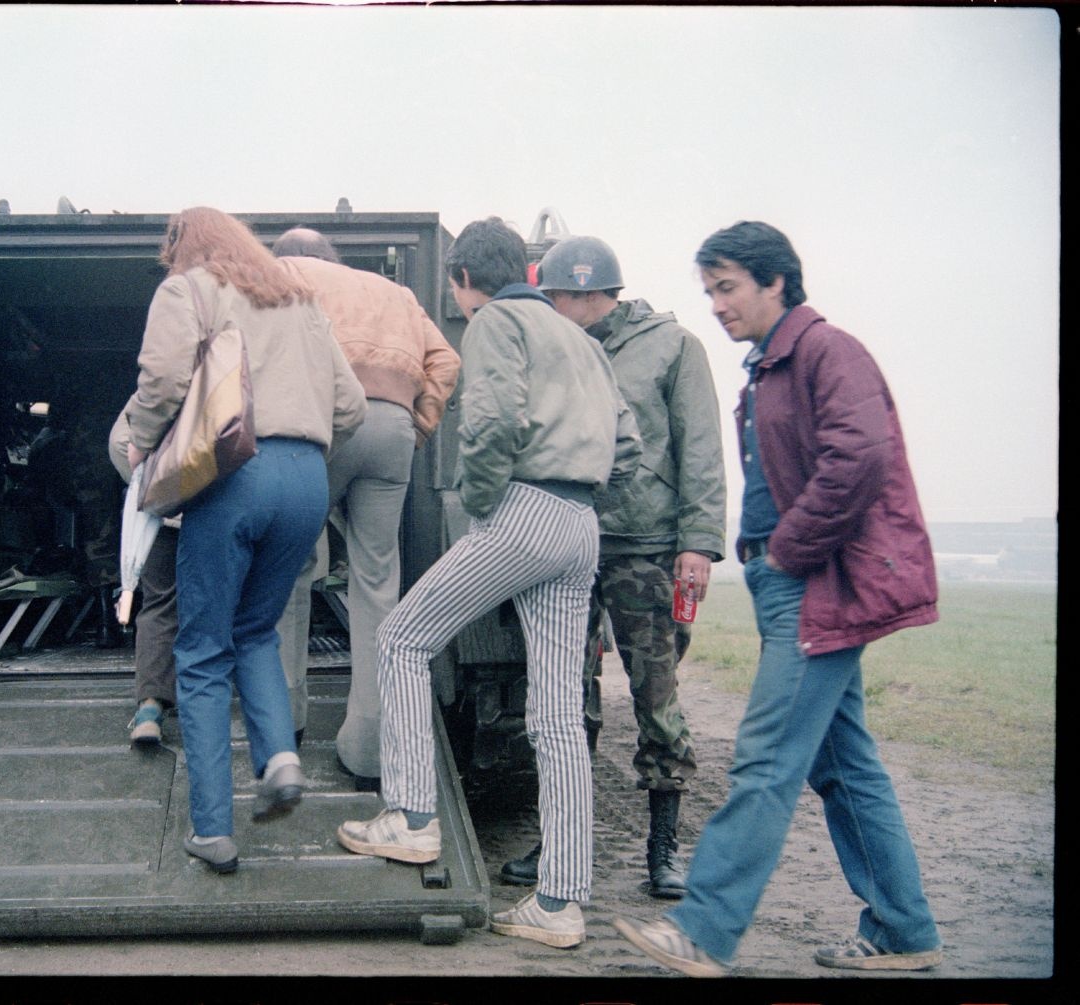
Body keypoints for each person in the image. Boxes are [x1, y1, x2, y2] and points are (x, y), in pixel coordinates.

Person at [614, 221, 943, 975]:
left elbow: (860, 457)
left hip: (814, 584)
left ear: (777, 281)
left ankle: (703, 928)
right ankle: (904, 928)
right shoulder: (769, 367)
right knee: (844, 764)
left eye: (727, 287)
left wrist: (788, 552)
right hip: (785, 584)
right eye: (709, 291)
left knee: (765, 756)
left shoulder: (828, 351)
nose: (717, 305)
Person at [337, 218, 639, 949]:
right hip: (579, 522)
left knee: (403, 637)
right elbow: (628, 447)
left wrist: (481, 502)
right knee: (558, 716)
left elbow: (493, 420)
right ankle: (560, 902)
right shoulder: (583, 342)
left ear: (462, 280)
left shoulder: (498, 321)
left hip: (524, 508)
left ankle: (410, 818)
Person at [120, 207, 365, 873]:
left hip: (235, 476)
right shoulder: (298, 299)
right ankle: (279, 757)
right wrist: (300, 444)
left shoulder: (188, 289)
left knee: (200, 651)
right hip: (307, 482)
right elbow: (352, 406)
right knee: (256, 628)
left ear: (180, 248)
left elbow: (164, 377)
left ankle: (212, 829)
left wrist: (142, 438)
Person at [500, 236, 726, 899]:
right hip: (568, 535)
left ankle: (663, 850)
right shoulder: (553, 344)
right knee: (563, 698)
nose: (556, 309)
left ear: (595, 295)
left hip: (646, 546)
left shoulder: (672, 346)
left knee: (656, 696)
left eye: (563, 298)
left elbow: (702, 446)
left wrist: (700, 542)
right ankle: (560, 837)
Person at [269, 227, 461, 788]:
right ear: (332, 257)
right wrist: (417, 425)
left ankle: (287, 728)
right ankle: (370, 750)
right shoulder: (392, 292)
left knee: (290, 571)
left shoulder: (284, 277)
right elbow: (445, 360)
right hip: (392, 430)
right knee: (377, 580)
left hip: (320, 425)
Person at [107, 411, 181, 745]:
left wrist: (159, 489)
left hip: (164, 514)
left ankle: (150, 708)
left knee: (160, 605)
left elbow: (121, 443)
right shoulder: (234, 373)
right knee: (223, 604)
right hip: (220, 514)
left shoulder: (161, 383)